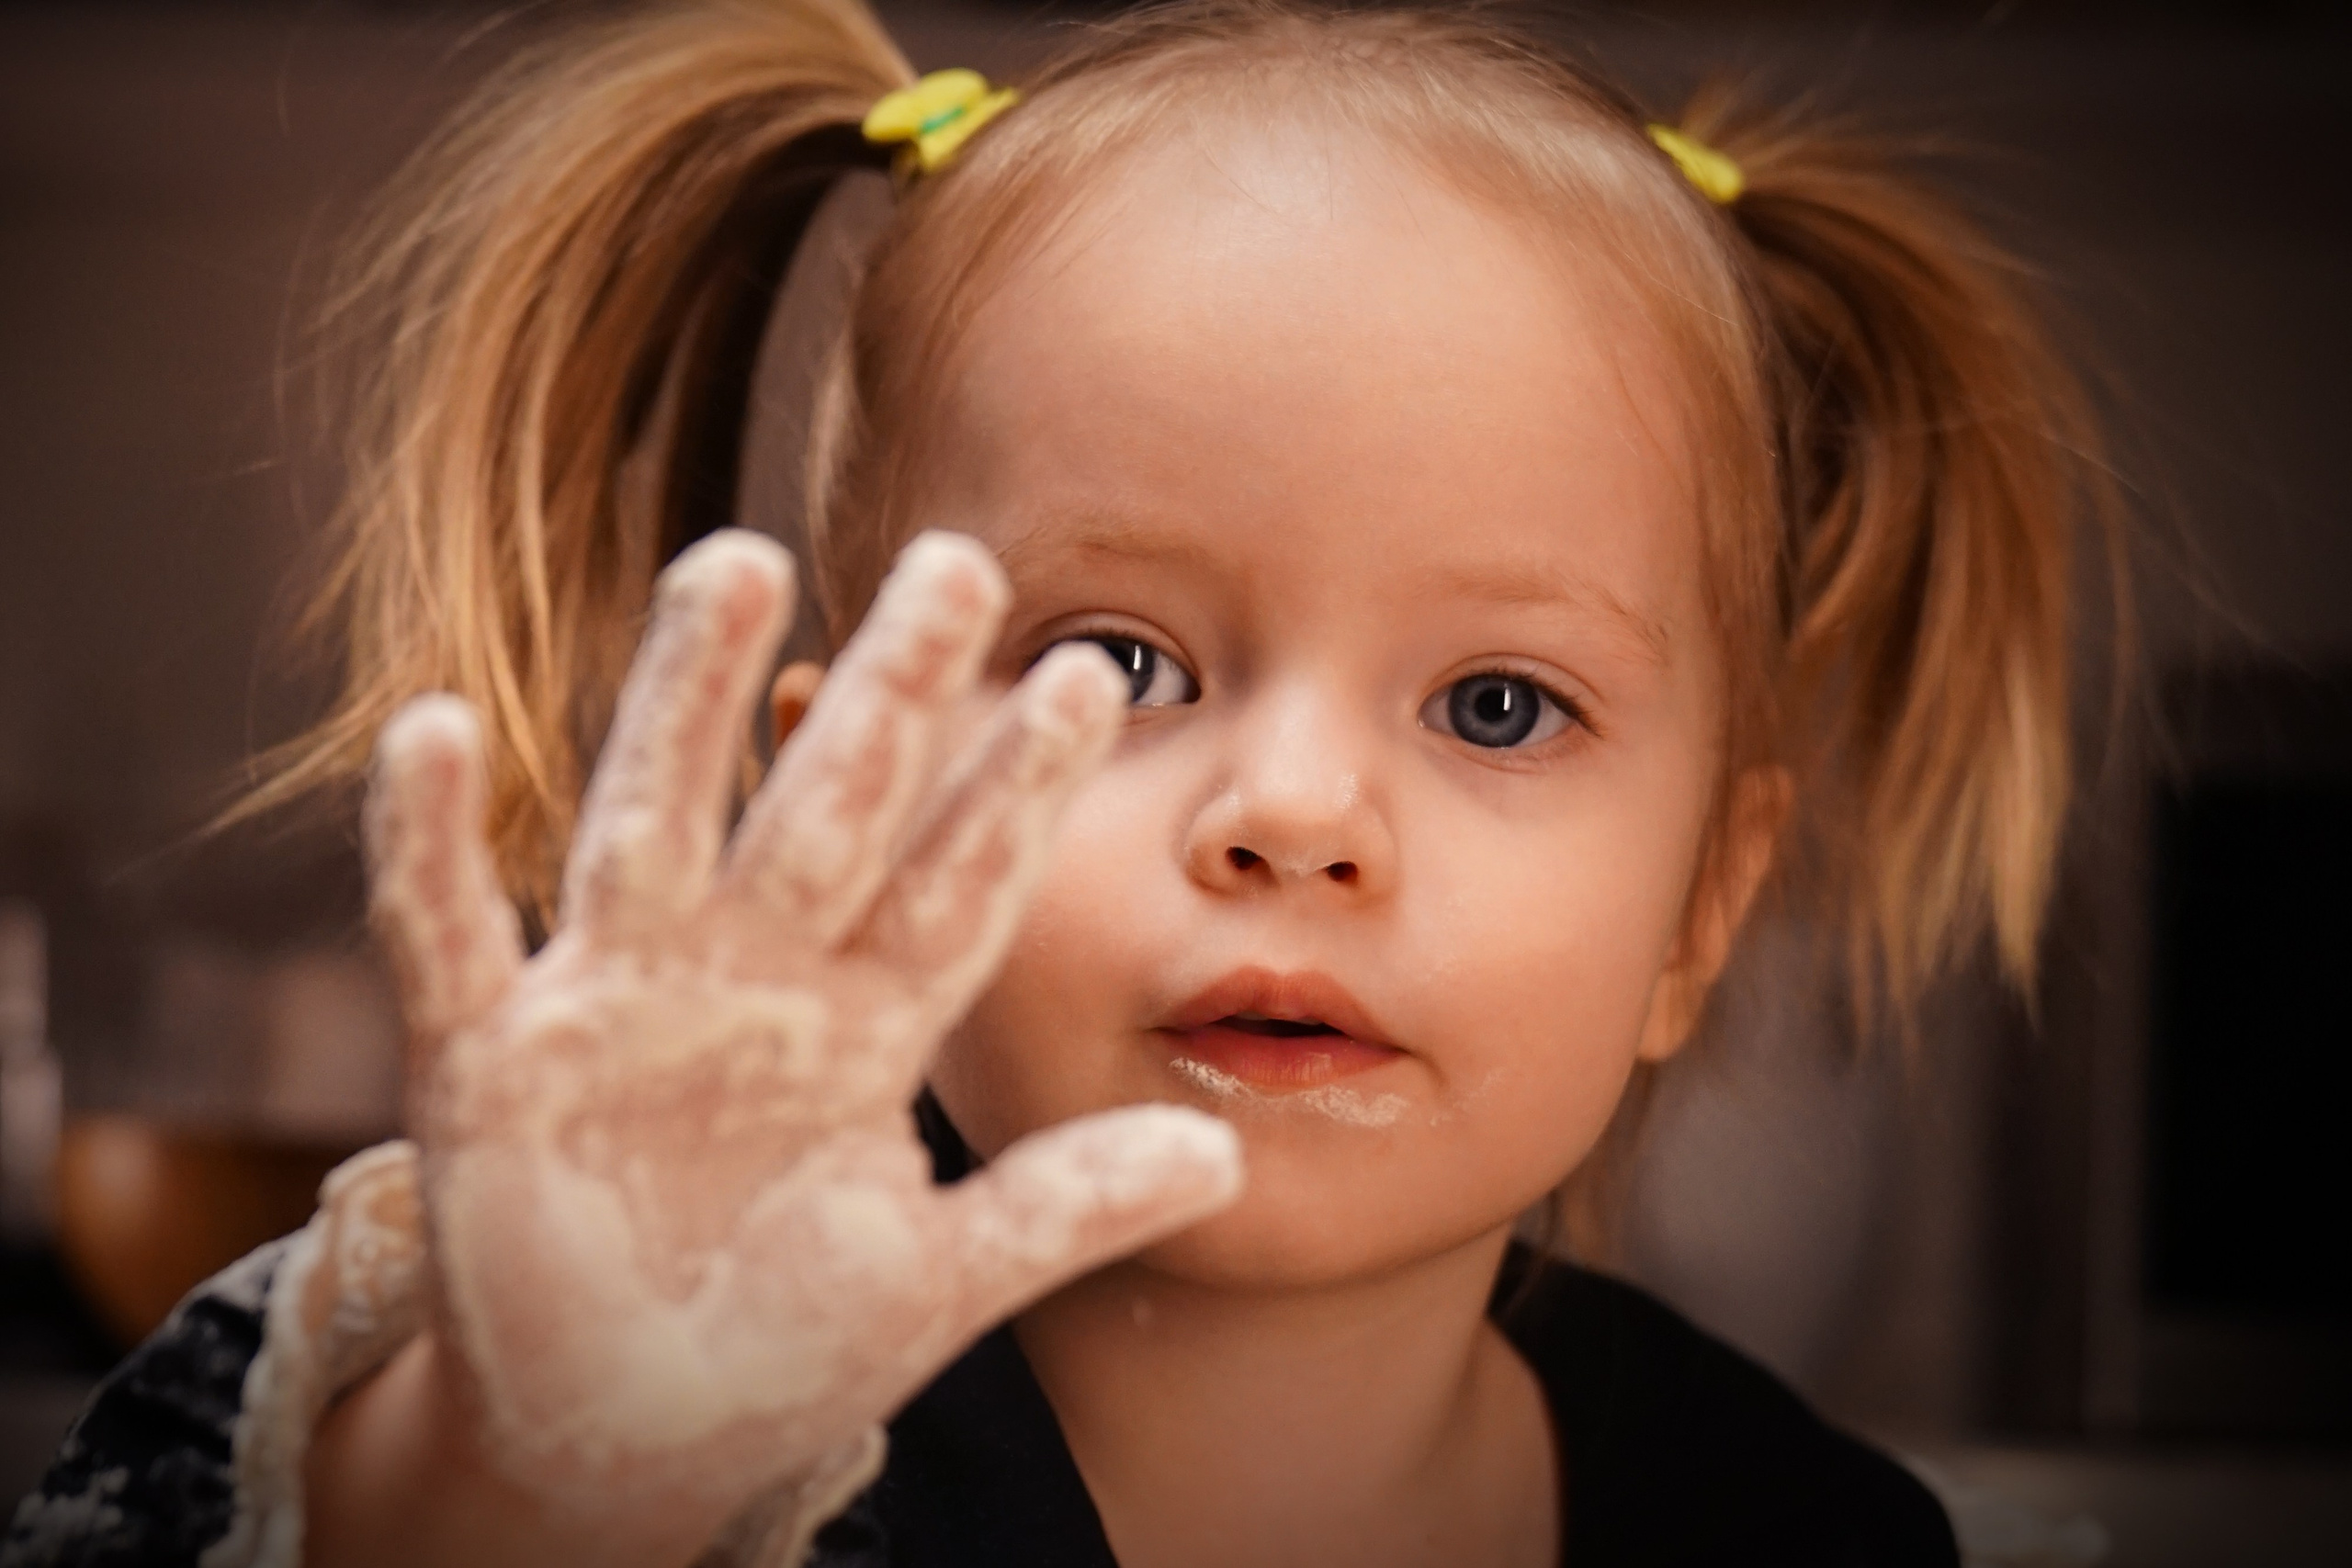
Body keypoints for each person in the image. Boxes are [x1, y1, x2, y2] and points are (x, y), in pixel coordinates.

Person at [6, 1, 2109, 1563]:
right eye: (1119, 666)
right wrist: (512, 1479)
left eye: (1494, 704)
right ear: (853, 804)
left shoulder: (1799, 1529)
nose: (1294, 815)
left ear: (1703, 906)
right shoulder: (592, 1361)